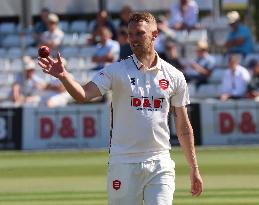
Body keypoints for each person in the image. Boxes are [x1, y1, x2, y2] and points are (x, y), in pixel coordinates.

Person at [38, 11, 203, 205]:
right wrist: (64, 77)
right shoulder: (116, 71)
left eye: (140, 33)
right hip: (123, 163)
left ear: (155, 35)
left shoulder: (174, 76)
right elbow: (83, 95)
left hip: (160, 162)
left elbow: (183, 126)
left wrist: (194, 167)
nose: (133, 39)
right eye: (130, 34)